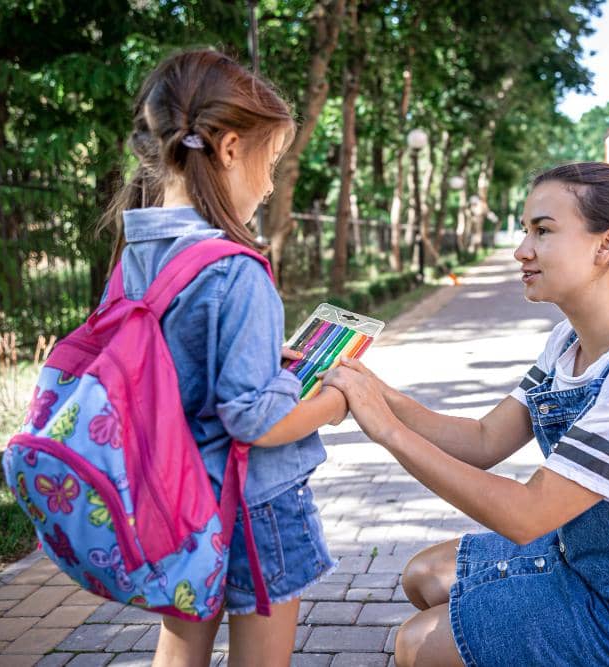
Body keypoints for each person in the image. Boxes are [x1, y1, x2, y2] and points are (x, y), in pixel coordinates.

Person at [324, 162, 609, 666]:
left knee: (416, 644)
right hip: (579, 558)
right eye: (526, 231)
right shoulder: (568, 342)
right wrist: (375, 392)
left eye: (543, 231)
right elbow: (483, 440)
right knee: (423, 576)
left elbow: (525, 515)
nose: (522, 250)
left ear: (605, 246)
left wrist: (385, 430)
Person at [99, 50, 347, 666]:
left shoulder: (136, 252)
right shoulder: (237, 271)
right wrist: (335, 401)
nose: (268, 184)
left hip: (174, 495)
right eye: (270, 163)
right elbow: (253, 422)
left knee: (178, 654)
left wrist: (266, 359)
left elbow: (178, 368)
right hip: (256, 506)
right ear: (231, 148)